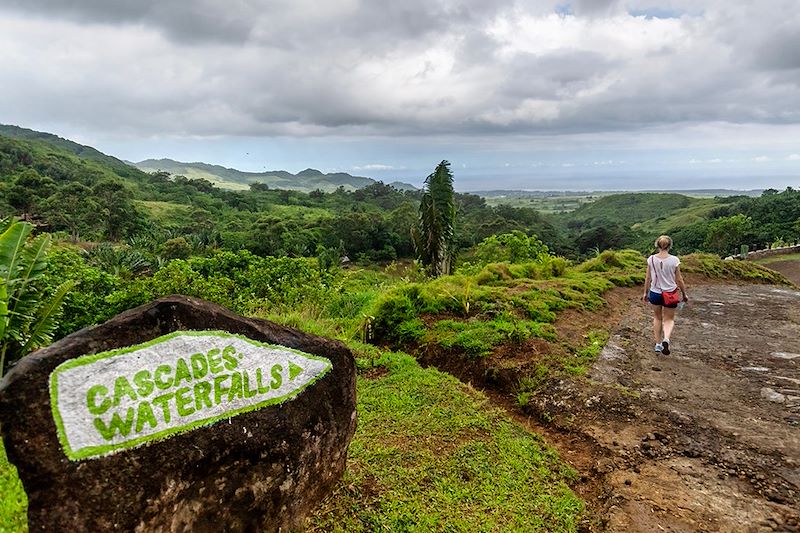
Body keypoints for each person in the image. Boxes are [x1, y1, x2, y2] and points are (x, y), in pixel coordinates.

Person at [642, 235, 688, 355]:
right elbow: (679, 279)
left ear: (657, 245)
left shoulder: (651, 259)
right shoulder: (674, 260)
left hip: (655, 292)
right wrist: (684, 294)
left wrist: (645, 293)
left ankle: (658, 344)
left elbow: (648, 278)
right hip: (670, 293)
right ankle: (666, 339)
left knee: (657, 317)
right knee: (669, 319)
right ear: (669, 246)